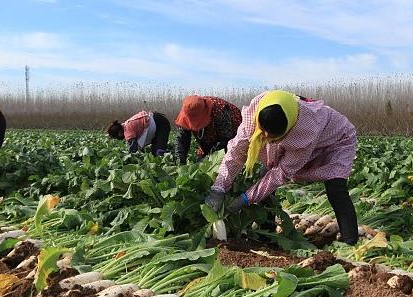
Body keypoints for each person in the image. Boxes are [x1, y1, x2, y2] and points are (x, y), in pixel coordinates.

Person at [205, 90, 359, 245]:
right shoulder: (256, 114)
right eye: (262, 131)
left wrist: (246, 199)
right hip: (295, 136)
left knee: (335, 187)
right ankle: (268, 234)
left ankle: (350, 242)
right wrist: (219, 187)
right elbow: (237, 152)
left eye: (270, 136)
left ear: (285, 132)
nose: (264, 135)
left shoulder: (306, 130)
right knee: (264, 173)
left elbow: (280, 173)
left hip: (336, 140)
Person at [174, 95, 242, 164]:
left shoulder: (219, 110)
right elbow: (182, 140)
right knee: (201, 160)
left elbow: (226, 138)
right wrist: (180, 161)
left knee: (228, 160)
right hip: (210, 137)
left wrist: (209, 157)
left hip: (231, 131)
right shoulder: (187, 111)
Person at [106, 111, 171, 156]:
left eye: (116, 137)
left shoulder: (127, 131)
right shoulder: (126, 124)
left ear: (119, 133)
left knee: (160, 150)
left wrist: (128, 157)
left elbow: (133, 148)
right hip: (157, 121)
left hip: (161, 124)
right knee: (155, 150)